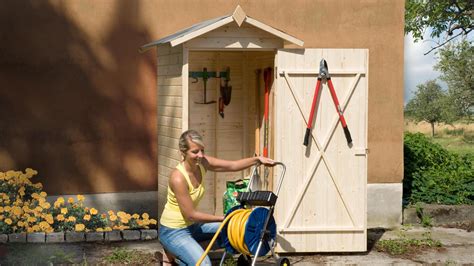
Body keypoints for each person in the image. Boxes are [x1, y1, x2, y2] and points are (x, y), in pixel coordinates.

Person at [158, 129, 275, 265]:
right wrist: (223, 218)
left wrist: (257, 159)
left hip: (192, 227)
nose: (200, 155)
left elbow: (232, 165)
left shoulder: (202, 163)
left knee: (233, 230)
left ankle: (180, 252)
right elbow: (191, 215)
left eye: (202, 150)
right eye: (195, 152)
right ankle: (174, 255)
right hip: (173, 231)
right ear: (183, 152)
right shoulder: (178, 178)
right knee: (205, 264)